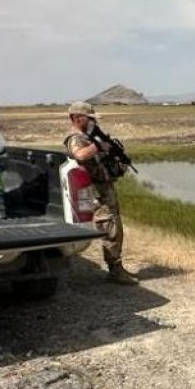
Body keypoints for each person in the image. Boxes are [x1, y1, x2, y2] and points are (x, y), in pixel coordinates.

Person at [65, 101, 138, 285]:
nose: (92, 122)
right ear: (77, 118)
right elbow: (80, 155)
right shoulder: (75, 138)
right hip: (96, 191)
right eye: (89, 118)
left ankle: (116, 268)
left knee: (114, 226)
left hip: (104, 188)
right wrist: (99, 145)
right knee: (110, 228)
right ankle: (115, 270)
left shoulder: (87, 137)